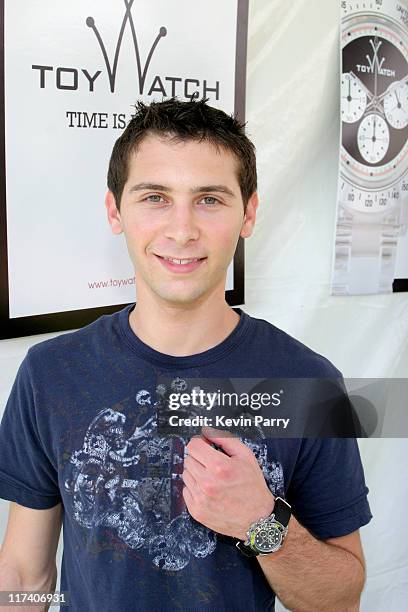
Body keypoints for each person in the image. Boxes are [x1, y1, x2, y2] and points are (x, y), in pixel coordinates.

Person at [0, 98, 372, 611]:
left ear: (249, 213)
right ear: (115, 210)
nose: (181, 230)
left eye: (210, 199)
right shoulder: (50, 373)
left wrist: (262, 525)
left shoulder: (310, 385)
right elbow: (25, 571)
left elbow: (339, 599)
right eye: (155, 197)